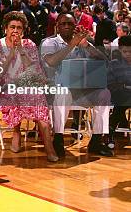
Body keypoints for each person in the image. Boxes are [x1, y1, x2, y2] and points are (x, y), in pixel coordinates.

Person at [0, 11, 58, 161]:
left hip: (26, 87)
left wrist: (21, 51)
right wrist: (10, 54)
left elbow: (34, 71)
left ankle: (49, 148)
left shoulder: (29, 45)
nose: (15, 31)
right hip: (2, 89)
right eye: (12, 27)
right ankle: (16, 131)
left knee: (38, 96)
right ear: (5, 29)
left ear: (23, 31)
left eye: (19, 28)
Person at [40, 14, 113, 157]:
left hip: (83, 90)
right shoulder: (50, 42)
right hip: (57, 92)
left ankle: (96, 142)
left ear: (75, 26)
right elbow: (51, 61)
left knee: (105, 93)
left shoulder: (82, 42)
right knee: (63, 91)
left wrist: (85, 44)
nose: (67, 26)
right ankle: (58, 140)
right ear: (57, 26)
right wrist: (72, 44)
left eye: (70, 24)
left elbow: (103, 60)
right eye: (63, 24)